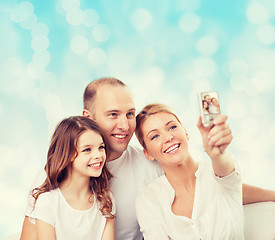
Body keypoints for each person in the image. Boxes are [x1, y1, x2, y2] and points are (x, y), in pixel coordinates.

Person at [20, 77, 275, 240]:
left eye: (130, 113)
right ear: (87, 116)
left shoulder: (149, 164)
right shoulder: (55, 173)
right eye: (113, 114)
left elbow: (212, 187)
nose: (124, 125)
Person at [135, 103, 244, 239]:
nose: (168, 137)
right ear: (148, 153)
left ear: (185, 132)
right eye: (155, 136)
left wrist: (217, 153)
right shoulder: (148, 197)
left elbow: (226, 169)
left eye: (172, 127)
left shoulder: (218, 173)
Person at [28, 116, 115, 240]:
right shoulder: (48, 202)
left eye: (101, 147)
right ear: (66, 155)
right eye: (87, 150)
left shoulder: (105, 200)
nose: (98, 155)